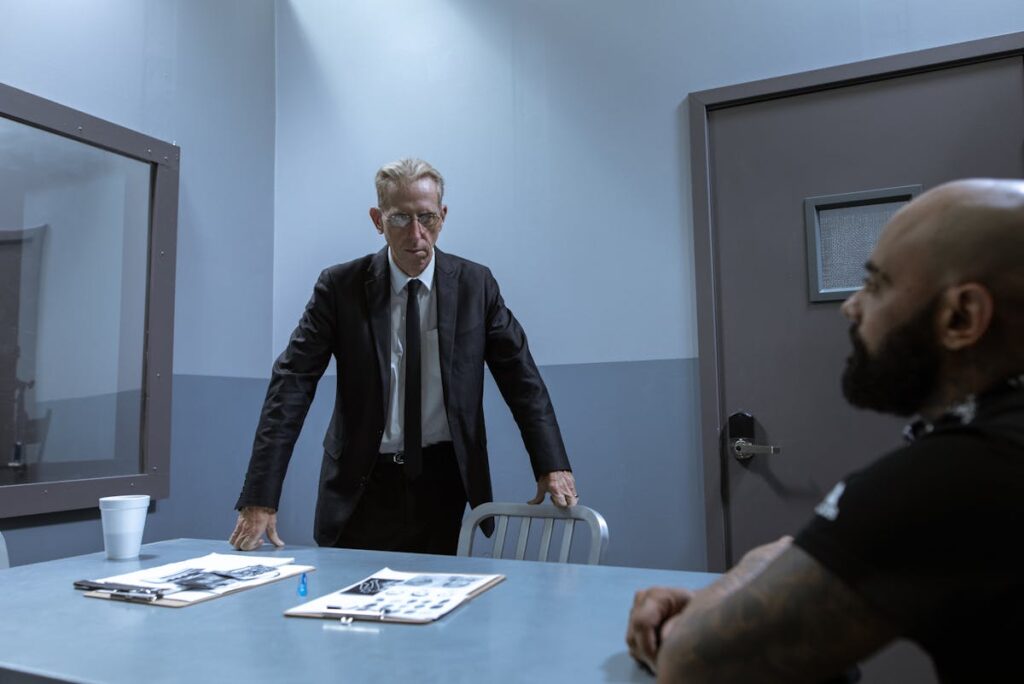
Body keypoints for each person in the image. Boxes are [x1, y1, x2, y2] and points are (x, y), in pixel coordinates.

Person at [626, 178, 1024, 683]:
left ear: (962, 316)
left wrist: (751, 569)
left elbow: (689, 662)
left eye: (876, 284)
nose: (852, 305)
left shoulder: (962, 473)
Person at [229, 158, 577, 555]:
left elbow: (522, 380)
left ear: (443, 217)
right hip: (360, 486)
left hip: (445, 484)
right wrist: (260, 494)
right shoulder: (340, 288)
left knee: (439, 609)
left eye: (427, 218)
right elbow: (290, 386)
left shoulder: (475, 287)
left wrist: (552, 465)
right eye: (400, 219)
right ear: (378, 220)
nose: (416, 234)